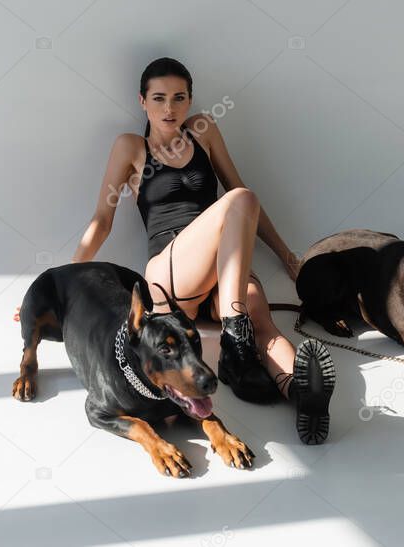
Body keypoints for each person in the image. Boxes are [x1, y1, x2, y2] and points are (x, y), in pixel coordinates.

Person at [19, 57, 335, 444]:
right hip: (170, 276)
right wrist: (64, 288)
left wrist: (289, 258)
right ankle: (236, 342)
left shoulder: (204, 131)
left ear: (190, 101)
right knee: (241, 201)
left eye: (179, 98)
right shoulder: (131, 147)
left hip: (224, 272)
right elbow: (103, 219)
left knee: (263, 323)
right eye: (159, 98)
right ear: (142, 101)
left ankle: (303, 396)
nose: (169, 108)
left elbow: (246, 207)